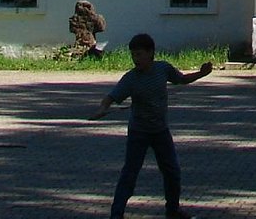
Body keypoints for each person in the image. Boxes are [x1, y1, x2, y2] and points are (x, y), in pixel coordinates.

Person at [89, 33, 213, 219]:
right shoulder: (131, 79)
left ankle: (173, 210)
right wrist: (102, 109)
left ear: (151, 53)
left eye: (139, 54)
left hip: (160, 132)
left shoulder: (162, 69)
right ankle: (116, 214)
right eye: (133, 55)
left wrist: (201, 74)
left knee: (172, 171)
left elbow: (181, 79)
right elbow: (111, 97)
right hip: (138, 133)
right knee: (130, 174)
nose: (135, 59)